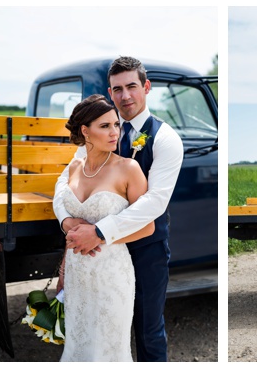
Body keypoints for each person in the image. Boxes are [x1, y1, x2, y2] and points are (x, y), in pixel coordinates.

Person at [54, 56, 184, 362]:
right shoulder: (96, 131)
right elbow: (65, 183)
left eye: (132, 87)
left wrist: (100, 232)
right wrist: (67, 223)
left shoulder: (165, 138)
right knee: (94, 329)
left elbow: (155, 202)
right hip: (94, 253)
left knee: (148, 330)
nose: (125, 96)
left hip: (145, 247)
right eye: (117, 89)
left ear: (146, 87)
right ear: (109, 92)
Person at [55, 95, 154, 361]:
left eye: (116, 125)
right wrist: (64, 269)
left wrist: (99, 238)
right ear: (85, 131)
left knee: (108, 350)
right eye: (105, 126)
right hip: (77, 275)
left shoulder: (128, 168)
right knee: (77, 346)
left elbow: (148, 227)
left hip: (112, 274)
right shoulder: (74, 168)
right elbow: (67, 218)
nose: (114, 133)